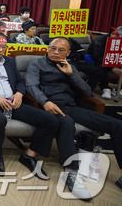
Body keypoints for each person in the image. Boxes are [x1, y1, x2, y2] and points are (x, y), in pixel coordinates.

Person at [26, 37, 122, 195]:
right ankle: (71, 172)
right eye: (53, 48)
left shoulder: (71, 67)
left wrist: (72, 74)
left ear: (68, 52)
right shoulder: (37, 64)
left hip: (72, 107)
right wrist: (45, 102)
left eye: (61, 50)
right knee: (67, 123)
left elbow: (87, 92)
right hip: (50, 107)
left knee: (117, 125)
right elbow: (31, 86)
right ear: (47, 48)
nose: (56, 52)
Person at [0, 32, 59, 178]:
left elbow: (20, 81)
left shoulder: (9, 61)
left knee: (50, 120)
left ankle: (29, 155)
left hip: (13, 102)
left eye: (4, 46)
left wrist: (19, 94)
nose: (0, 50)